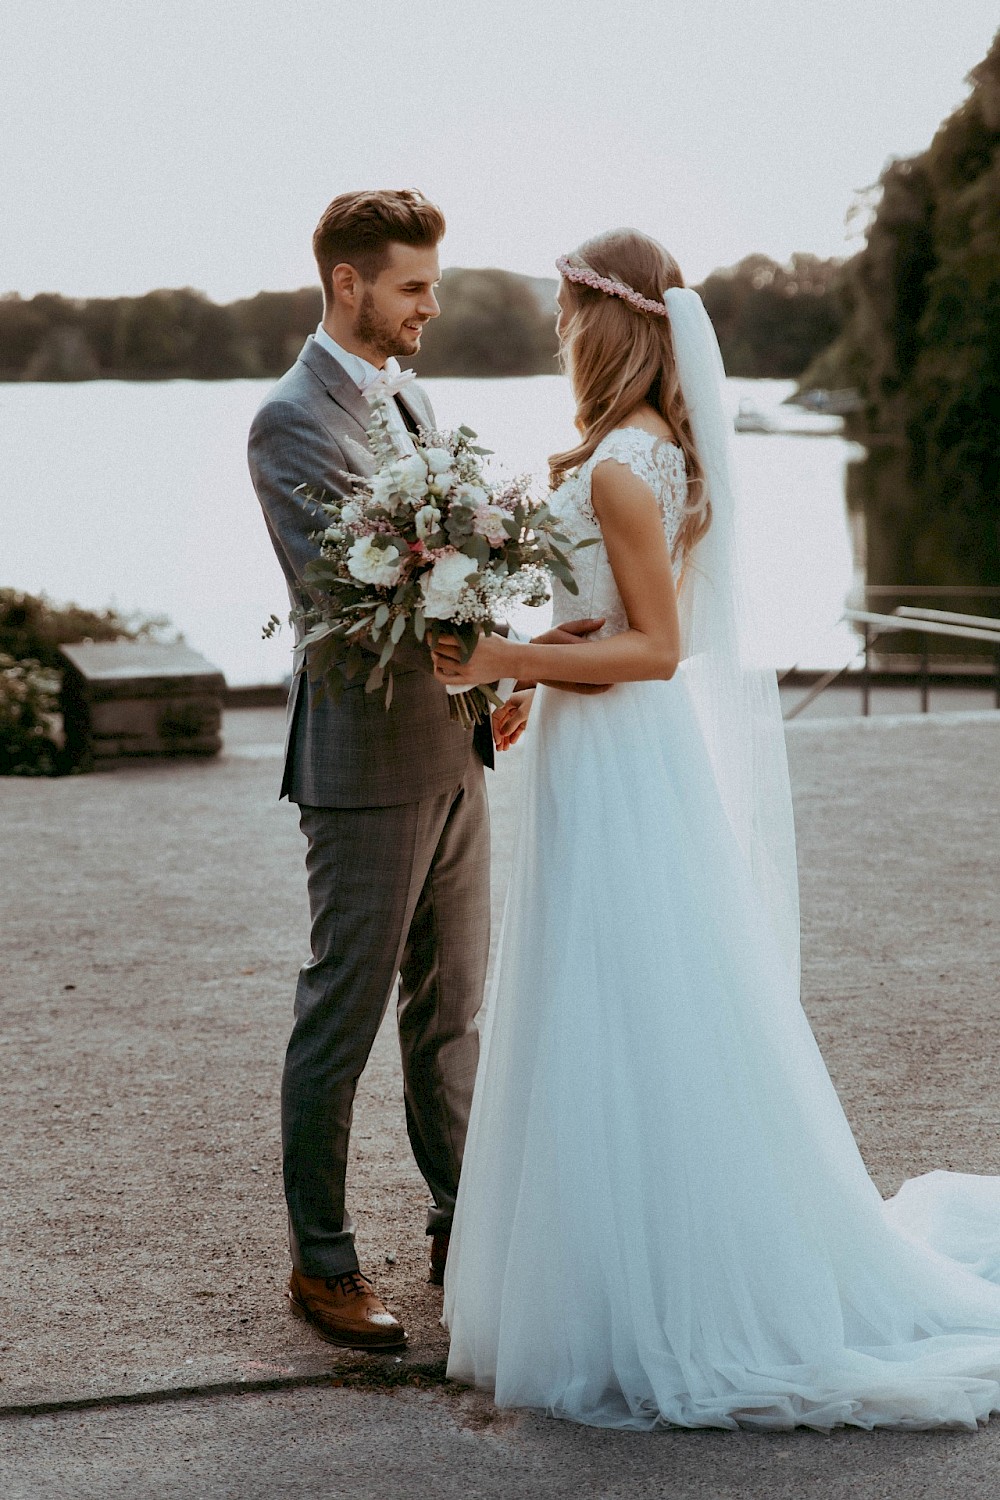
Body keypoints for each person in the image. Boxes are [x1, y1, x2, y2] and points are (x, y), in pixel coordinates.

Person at [435, 228, 1000, 1430]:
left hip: (625, 767)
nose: (556, 332)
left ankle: (661, 1292)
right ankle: (614, 1263)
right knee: (629, 1002)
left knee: (627, 1004)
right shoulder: (638, 453)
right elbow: (616, 627)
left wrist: (500, 654)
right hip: (611, 755)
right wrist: (542, 672)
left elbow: (659, 648)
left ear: (604, 320)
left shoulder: (622, 468)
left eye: (564, 312)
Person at [247, 189, 600, 1351]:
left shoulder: (414, 397)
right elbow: (348, 599)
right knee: (341, 1016)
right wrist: (468, 596)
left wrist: (494, 680)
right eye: (412, 287)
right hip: (362, 763)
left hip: (454, 747)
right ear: (348, 284)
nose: (430, 309)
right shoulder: (287, 421)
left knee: (452, 1015)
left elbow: (448, 575)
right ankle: (325, 1267)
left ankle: (467, 1225)